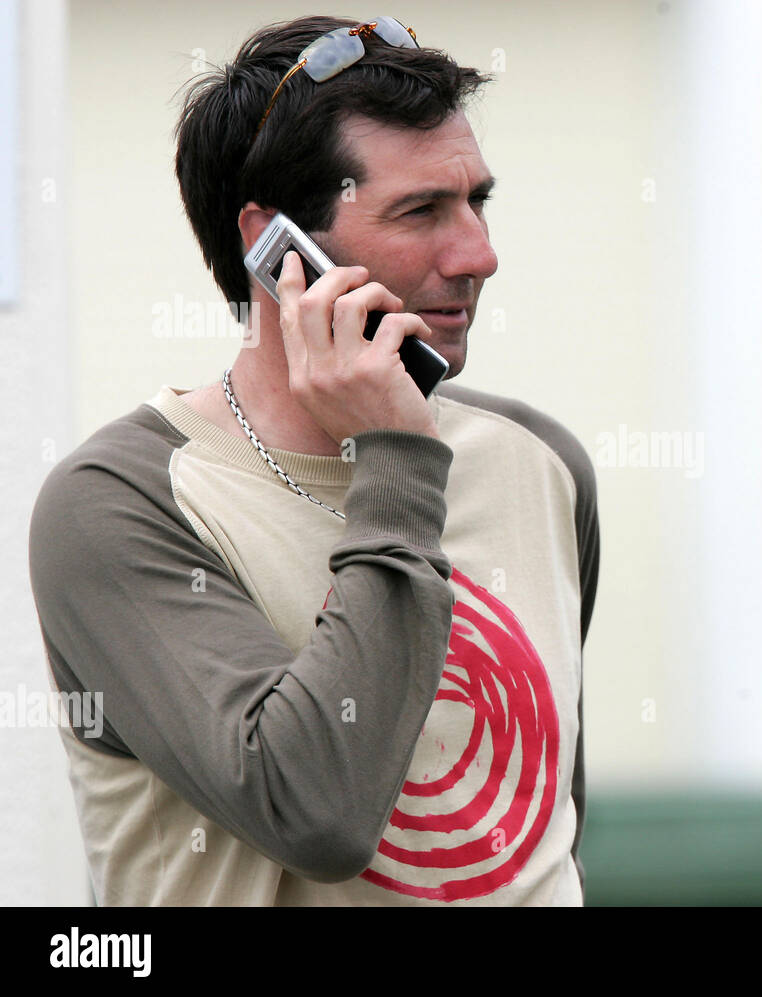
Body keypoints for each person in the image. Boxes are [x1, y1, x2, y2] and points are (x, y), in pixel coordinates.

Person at [26, 14, 598, 906]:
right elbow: (313, 809)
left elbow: (539, 831)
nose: (479, 255)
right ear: (274, 244)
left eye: (476, 202)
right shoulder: (119, 503)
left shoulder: (541, 464)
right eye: (420, 212)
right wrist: (397, 459)